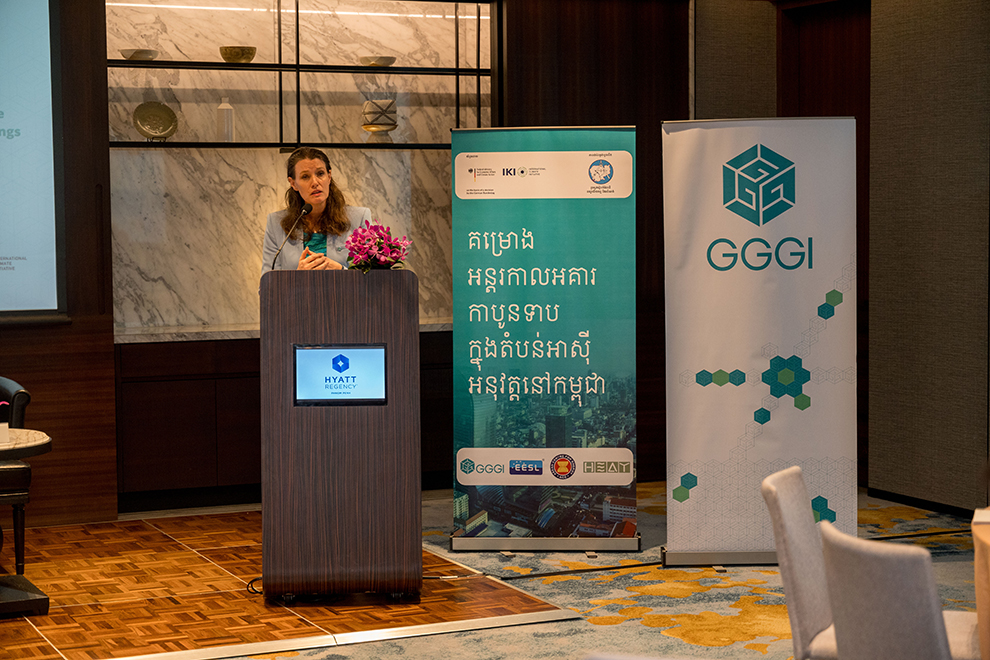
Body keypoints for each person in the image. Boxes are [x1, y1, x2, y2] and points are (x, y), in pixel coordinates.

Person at [260, 147, 372, 277]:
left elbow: (373, 281)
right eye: (305, 176)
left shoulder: (359, 218)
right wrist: (297, 278)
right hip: (298, 298)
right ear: (293, 183)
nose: (315, 182)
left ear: (329, 176)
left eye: (320, 174)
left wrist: (341, 271)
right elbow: (267, 288)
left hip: (345, 297)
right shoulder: (276, 223)